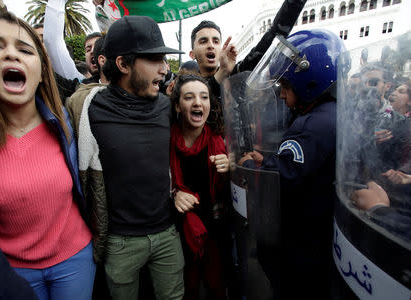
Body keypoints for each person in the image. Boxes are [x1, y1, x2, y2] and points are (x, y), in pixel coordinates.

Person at [0, 9, 96, 300]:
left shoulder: (63, 121)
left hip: (74, 260)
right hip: (10, 269)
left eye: (24, 49)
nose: (11, 55)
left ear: (40, 71)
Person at [238, 29, 346, 299]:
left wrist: (254, 169)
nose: (283, 96)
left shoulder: (309, 126)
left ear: (309, 82)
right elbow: (306, 166)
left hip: (302, 244)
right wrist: (273, 160)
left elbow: (284, 179)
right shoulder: (333, 113)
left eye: (285, 87)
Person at [88, 15, 185, 300]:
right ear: (123, 64)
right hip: (120, 242)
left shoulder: (165, 106)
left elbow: (204, 103)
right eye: (155, 59)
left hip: (167, 234)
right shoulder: (90, 109)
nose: (164, 68)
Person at [169, 74, 231, 300]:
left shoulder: (220, 141)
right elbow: (155, 181)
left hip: (214, 229)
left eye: (204, 97)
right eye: (189, 97)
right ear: (177, 106)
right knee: (187, 289)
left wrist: (230, 169)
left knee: (216, 287)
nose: (197, 102)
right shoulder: (164, 140)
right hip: (177, 232)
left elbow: (232, 192)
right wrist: (174, 194)